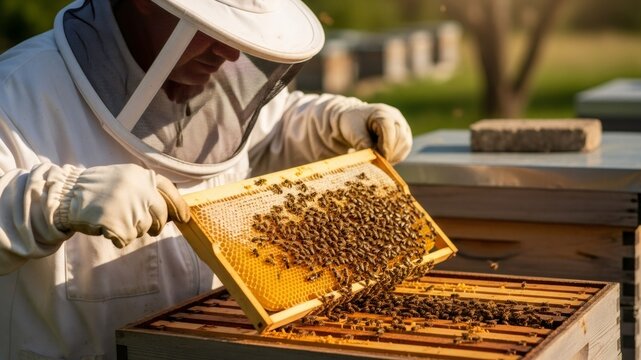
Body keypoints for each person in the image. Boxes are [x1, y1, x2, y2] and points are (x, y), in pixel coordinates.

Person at [0, 0, 413, 358]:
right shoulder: (19, 89)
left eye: (237, 32)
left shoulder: (217, 76)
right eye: (210, 27)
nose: (230, 53)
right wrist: (61, 200)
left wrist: (334, 122)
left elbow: (267, 133)